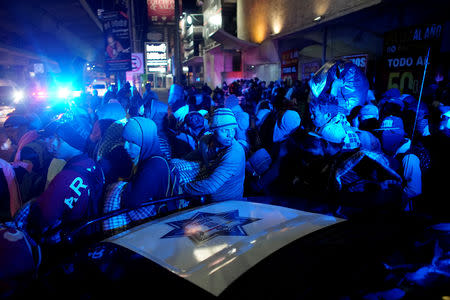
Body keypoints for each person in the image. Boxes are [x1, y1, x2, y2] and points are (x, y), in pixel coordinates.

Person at [15, 114, 105, 244]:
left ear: (73, 142)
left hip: (68, 240)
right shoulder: (92, 163)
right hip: (87, 234)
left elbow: (44, 218)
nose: (52, 143)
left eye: (59, 139)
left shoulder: (66, 178)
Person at [102, 117, 178, 233]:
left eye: (132, 142)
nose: (126, 146)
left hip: (159, 226)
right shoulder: (151, 157)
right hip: (159, 222)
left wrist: (119, 187)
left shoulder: (154, 165)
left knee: (115, 190)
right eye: (124, 141)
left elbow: (133, 201)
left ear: (145, 141)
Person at [173, 108, 246, 202]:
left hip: (228, 203)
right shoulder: (205, 141)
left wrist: (181, 188)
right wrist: (177, 162)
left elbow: (211, 185)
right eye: (224, 130)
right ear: (213, 130)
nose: (230, 135)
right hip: (209, 200)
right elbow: (197, 154)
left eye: (232, 130)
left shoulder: (235, 153)